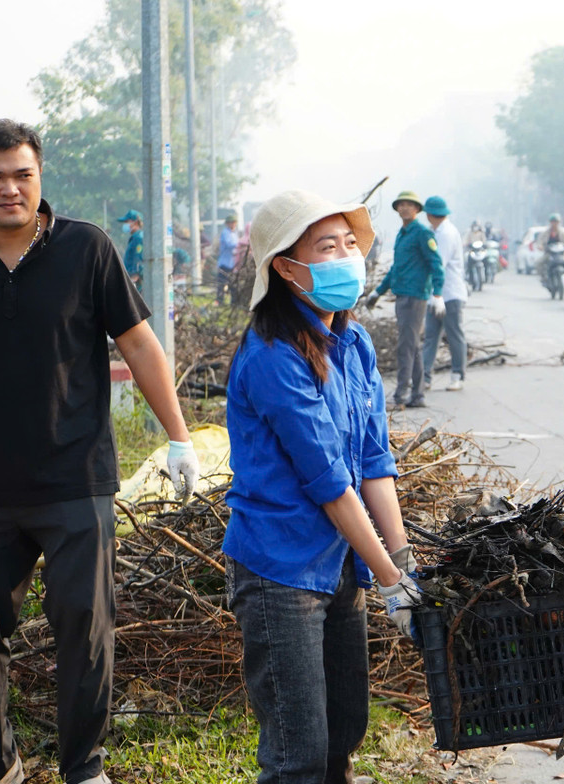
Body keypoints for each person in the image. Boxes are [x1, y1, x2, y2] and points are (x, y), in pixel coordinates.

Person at [0, 119, 199, 784]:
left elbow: (140, 344)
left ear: (40, 178)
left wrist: (178, 437)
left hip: (74, 479)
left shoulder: (85, 249)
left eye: (22, 175)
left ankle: (82, 768)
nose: (10, 188)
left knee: (85, 631)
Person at [224, 189, 423, 784]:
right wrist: (391, 582)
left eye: (350, 244)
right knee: (298, 752)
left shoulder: (355, 344)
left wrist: (404, 560)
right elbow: (330, 483)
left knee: (344, 733)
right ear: (286, 267)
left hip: (342, 565)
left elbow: (372, 463)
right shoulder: (272, 355)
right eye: (326, 247)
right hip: (280, 570)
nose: (345, 256)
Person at [366, 191, 444, 409]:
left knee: (405, 347)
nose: (405, 208)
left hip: (415, 297)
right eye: (401, 205)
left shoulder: (421, 233)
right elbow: (395, 269)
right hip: (402, 296)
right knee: (413, 347)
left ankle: (400, 396)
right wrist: (377, 292)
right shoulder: (402, 234)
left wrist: (437, 294)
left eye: (409, 205)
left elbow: (436, 265)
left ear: (417, 210)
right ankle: (417, 395)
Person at [421, 195, 468, 392]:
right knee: (431, 336)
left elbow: (438, 264)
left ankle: (458, 375)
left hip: (450, 294)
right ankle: (425, 377)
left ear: (430, 214)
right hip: (437, 294)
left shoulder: (446, 233)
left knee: (454, 335)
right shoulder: (435, 232)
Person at [535, 212, 564, 285]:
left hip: (560, 254)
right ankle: (544, 278)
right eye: (553, 222)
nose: (555, 224)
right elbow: (540, 241)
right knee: (538, 263)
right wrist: (540, 246)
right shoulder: (545, 232)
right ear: (550, 222)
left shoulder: (563, 232)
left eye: (556, 222)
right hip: (549, 254)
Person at [216, 213, 240, 305]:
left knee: (233, 283)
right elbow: (230, 244)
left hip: (233, 263)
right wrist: (241, 244)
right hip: (225, 263)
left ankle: (234, 302)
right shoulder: (225, 233)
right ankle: (220, 301)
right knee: (221, 283)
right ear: (227, 224)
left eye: (234, 222)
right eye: (230, 223)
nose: (232, 224)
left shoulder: (235, 233)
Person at [117, 207, 144, 285]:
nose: (125, 225)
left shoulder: (138, 238)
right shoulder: (134, 238)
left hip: (136, 280)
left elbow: (138, 259)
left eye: (127, 222)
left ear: (135, 222)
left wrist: (134, 277)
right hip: (130, 277)